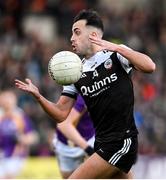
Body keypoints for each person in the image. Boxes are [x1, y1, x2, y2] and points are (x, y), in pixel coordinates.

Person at [15, 9, 156, 179]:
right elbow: (60, 114)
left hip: (121, 141)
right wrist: (39, 96)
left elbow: (150, 66)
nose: (72, 38)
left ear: (94, 34)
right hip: (101, 143)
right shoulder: (76, 72)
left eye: (77, 32)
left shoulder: (116, 54)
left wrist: (118, 48)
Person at [52, 94, 95, 178]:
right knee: (69, 177)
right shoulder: (82, 96)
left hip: (91, 139)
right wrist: (89, 149)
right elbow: (63, 125)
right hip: (67, 147)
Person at [0, 90, 38, 179]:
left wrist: (22, 139)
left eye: (9, 99)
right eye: (4, 99)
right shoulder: (1, 116)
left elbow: (33, 137)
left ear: (14, 100)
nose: (6, 101)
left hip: (16, 157)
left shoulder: (20, 116)